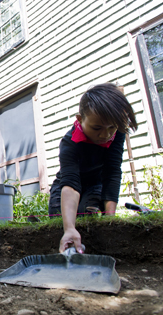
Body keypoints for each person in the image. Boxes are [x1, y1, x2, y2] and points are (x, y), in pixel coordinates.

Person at [48, 83, 138, 254]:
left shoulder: (116, 133)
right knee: (59, 221)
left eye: (111, 128)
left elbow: (112, 171)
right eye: (97, 128)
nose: (105, 135)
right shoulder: (70, 142)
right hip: (67, 183)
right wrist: (69, 228)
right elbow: (71, 184)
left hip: (95, 183)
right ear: (80, 119)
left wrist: (109, 217)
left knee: (87, 214)